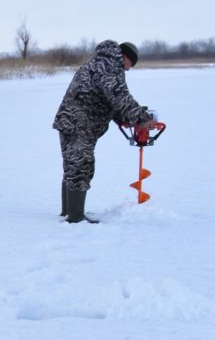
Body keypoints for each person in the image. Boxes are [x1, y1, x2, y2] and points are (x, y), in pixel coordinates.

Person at [52, 38, 156, 223]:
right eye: (130, 64)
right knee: (81, 166)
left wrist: (126, 118)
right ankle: (75, 218)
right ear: (125, 57)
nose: (128, 69)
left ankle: (68, 212)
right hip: (79, 123)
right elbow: (119, 96)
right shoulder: (109, 66)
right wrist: (142, 118)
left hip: (70, 121)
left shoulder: (99, 63)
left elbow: (107, 100)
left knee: (72, 165)